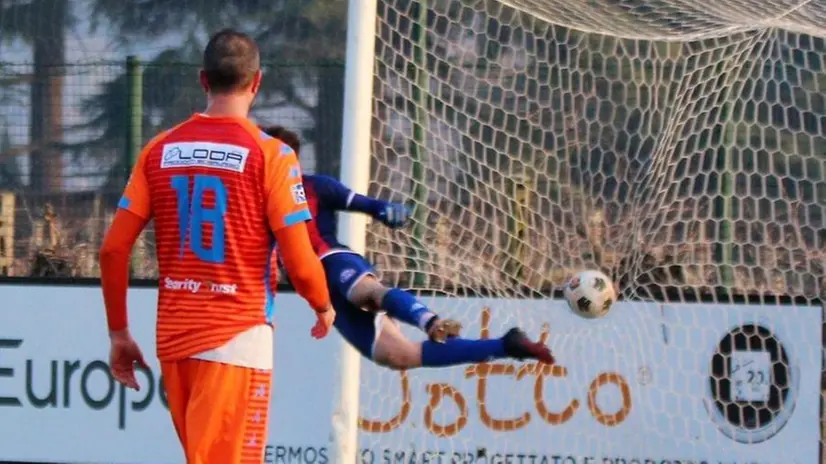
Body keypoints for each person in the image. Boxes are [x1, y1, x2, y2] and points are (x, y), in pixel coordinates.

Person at [99, 29, 335, 464]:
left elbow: (114, 250)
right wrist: (322, 303)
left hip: (175, 343)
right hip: (236, 339)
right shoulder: (273, 156)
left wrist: (118, 333)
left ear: (203, 81)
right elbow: (301, 264)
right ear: (257, 82)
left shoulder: (159, 150)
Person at [261, 125, 555, 370]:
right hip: (322, 297)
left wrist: (387, 211)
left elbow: (368, 204)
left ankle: (429, 321)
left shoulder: (315, 187)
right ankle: (507, 345)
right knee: (399, 356)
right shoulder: (256, 201)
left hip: (332, 260)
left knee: (368, 293)